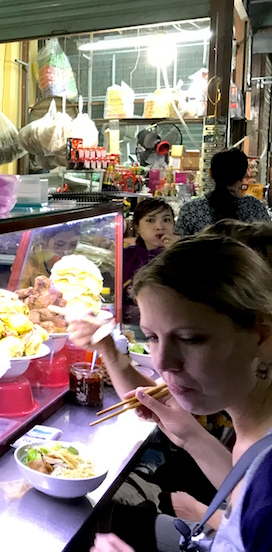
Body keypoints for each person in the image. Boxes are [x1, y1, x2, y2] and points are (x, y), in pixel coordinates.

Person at [77, 236, 272, 552]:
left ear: (262, 336)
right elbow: (244, 494)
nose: (163, 363)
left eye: (192, 339)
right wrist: (191, 437)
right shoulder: (255, 430)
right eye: (152, 337)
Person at [174, 148, 270, 235]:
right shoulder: (255, 209)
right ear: (244, 175)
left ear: (210, 173)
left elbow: (177, 247)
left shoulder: (191, 210)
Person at [122, 198, 176, 326]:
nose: (160, 227)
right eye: (150, 220)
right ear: (137, 227)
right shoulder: (127, 256)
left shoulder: (181, 254)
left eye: (166, 220)